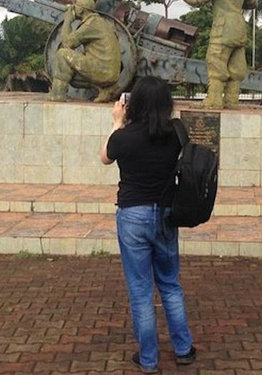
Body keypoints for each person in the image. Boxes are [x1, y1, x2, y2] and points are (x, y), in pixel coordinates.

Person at [100, 76, 195, 373]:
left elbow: (104, 158)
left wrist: (118, 122)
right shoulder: (177, 134)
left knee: (141, 290)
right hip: (166, 215)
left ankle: (149, 359)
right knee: (169, 284)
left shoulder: (124, 137)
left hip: (132, 216)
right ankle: (183, 349)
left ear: (134, 103)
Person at [168, 0, 257, 109]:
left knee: (215, 61)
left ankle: (214, 100)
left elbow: (198, 0)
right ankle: (231, 101)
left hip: (223, 27)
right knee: (236, 67)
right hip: (239, 26)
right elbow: (253, 2)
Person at [47, 0, 121, 103]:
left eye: (75, 7)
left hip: (102, 70)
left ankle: (57, 94)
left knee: (63, 54)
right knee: (73, 76)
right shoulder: (101, 22)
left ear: (80, 9)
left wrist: (67, 19)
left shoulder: (90, 24)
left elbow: (67, 43)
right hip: (111, 73)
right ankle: (105, 89)